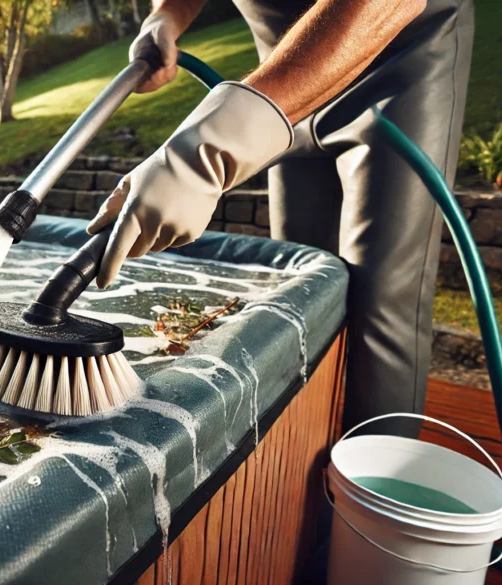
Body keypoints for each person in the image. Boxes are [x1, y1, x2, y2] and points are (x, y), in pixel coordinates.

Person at [88, 0, 473, 438]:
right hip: (283, 86)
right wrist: (168, 14)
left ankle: (373, 488)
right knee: (301, 297)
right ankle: (300, 465)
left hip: (397, 62)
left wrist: (212, 148)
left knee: (382, 305)